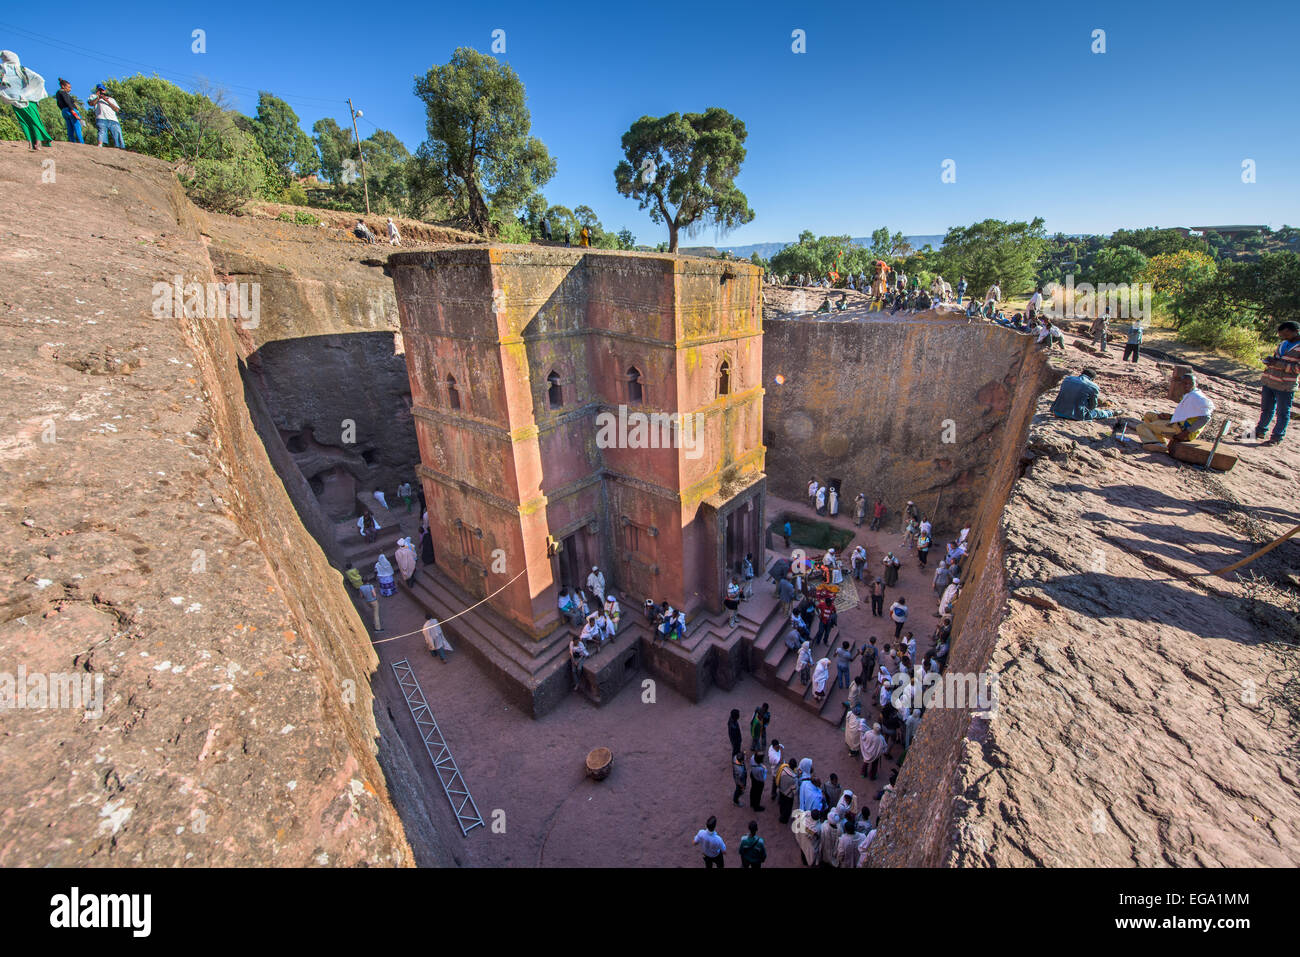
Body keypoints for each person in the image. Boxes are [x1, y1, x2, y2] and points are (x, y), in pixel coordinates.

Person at [1257, 321, 1300, 445]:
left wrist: (1279, 364)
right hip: (1269, 380)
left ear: (1295, 331)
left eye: (1286, 334)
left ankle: (1276, 437)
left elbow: (1297, 368)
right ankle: (1260, 431)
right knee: (1266, 409)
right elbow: (1278, 359)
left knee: (1282, 413)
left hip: (1285, 386)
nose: (1283, 337)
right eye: (1281, 335)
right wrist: (1271, 360)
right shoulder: (1283, 343)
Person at [1, 52, 52, 151]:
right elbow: (39, 79)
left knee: (24, 122)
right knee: (35, 121)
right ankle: (37, 143)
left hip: (15, 100)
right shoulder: (21, 69)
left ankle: (30, 144)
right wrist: (30, 91)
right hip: (29, 100)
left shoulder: (3, 70)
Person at [1050, 368, 1117, 420]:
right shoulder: (1093, 386)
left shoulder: (1067, 379)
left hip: (1057, 412)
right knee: (1097, 413)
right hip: (1076, 415)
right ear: (1092, 379)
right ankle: (1111, 413)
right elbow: (1092, 406)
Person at [1167, 374, 1215, 441]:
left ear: (1196, 384)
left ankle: (1157, 445)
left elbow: (1205, 418)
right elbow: (1188, 415)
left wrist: (1186, 433)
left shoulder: (1197, 397)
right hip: (1179, 425)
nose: (1187, 385)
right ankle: (1158, 444)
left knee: (1151, 425)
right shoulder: (1188, 395)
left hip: (1185, 432)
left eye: (1190, 383)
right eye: (1184, 383)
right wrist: (1170, 416)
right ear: (1181, 384)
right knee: (1151, 415)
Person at [87, 83, 124, 148]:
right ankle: (100, 145)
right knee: (101, 132)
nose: (101, 92)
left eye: (102, 90)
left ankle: (120, 147)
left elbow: (117, 109)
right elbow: (91, 103)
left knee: (117, 133)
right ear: (97, 90)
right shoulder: (93, 96)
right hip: (101, 118)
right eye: (100, 90)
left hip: (113, 119)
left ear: (105, 91)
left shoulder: (111, 99)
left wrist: (107, 100)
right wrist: (98, 97)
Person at [55, 78, 82, 144]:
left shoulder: (58, 93)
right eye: (69, 87)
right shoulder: (63, 92)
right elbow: (68, 102)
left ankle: (72, 142)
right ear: (63, 86)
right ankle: (81, 142)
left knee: (69, 127)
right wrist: (74, 112)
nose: (70, 89)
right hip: (70, 110)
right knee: (77, 127)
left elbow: (58, 104)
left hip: (64, 111)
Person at [775, 757, 799, 823]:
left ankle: (781, 815)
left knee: (782, 805)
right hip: (788, 795)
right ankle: (784, 819)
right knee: (787, 808)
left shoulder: (783, 769)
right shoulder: (794, 778)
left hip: (781, 790)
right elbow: (795, 791)